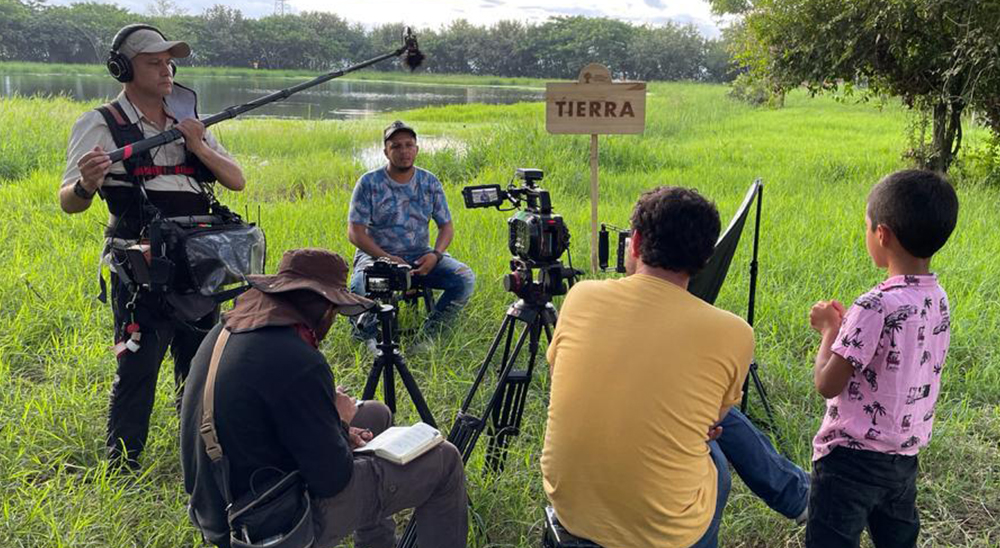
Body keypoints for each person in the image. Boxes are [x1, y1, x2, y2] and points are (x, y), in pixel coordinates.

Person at [541, 186, 809, 548]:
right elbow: (714, 420)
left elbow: (559, 376)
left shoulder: (581, 296)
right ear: (706, 259)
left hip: (572, 509)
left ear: (634, 243)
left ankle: (798, 495)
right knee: (717, 447)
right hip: (665, 533)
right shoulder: (734, 332)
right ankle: (800, 497)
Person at [180, 248, 468, 548]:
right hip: (268, 523)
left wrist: (334, 423)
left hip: (218, 504)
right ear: (325, 308)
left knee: (375, 414)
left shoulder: (226, 330)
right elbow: (332, 480)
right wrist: (340, 423)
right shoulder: (298, 359)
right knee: (445, 461)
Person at [59, 24, 246, 468]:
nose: (166, 71)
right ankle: (122, 465)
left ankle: (199, 456)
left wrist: (197, 143)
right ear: (123, 68)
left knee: (199, 366)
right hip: (142, 267)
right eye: (152, 62)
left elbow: (236, 180)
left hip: (198, 263)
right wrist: (86, 185)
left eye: (169, 62)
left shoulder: (188, 119)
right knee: (137, 368)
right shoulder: (101, 123)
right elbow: (68, 202)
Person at [806, 170, 958, 548]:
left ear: (882, 235)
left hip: (847, 464)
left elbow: (827, 382)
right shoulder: (938, 298)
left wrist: (830, 330)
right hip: (903, 459)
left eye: (867, 225)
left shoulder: (873, 305)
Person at [347, 120, 475, 345]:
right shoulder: (369, 183)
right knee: (359, 287)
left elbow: (446, 226)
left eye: (409, 145)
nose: (403, 151)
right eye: (396, 146)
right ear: (386, 152)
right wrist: (385, 257)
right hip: (377, 257)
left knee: (464, 278)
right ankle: (369, 341)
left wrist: (435, 255)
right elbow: (355, 233)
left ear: (416, 149)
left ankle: (428, 337)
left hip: (419, 256)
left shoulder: (429, 182)